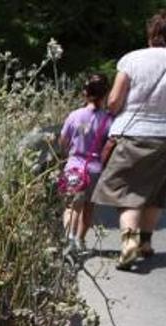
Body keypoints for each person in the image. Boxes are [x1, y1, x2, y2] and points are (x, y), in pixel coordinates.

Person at [92, 10, 166, 270]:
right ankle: (145, 242)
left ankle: (129, 242)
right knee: (156, 189)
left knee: (126, 190)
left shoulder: (132, 60)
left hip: (134, 134)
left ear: (151, 34)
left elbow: (114, 101)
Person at [59, 74, 112, 253]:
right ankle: (81, 239)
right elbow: (109, 145)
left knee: (71, 206)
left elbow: (63, 141)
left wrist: (68, 153)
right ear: (106, 94)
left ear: (85, 93)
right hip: (95, 169)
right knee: (88, 208)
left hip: (74, 166)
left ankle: (69, 239)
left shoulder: (75, 115)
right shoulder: (108, 120)